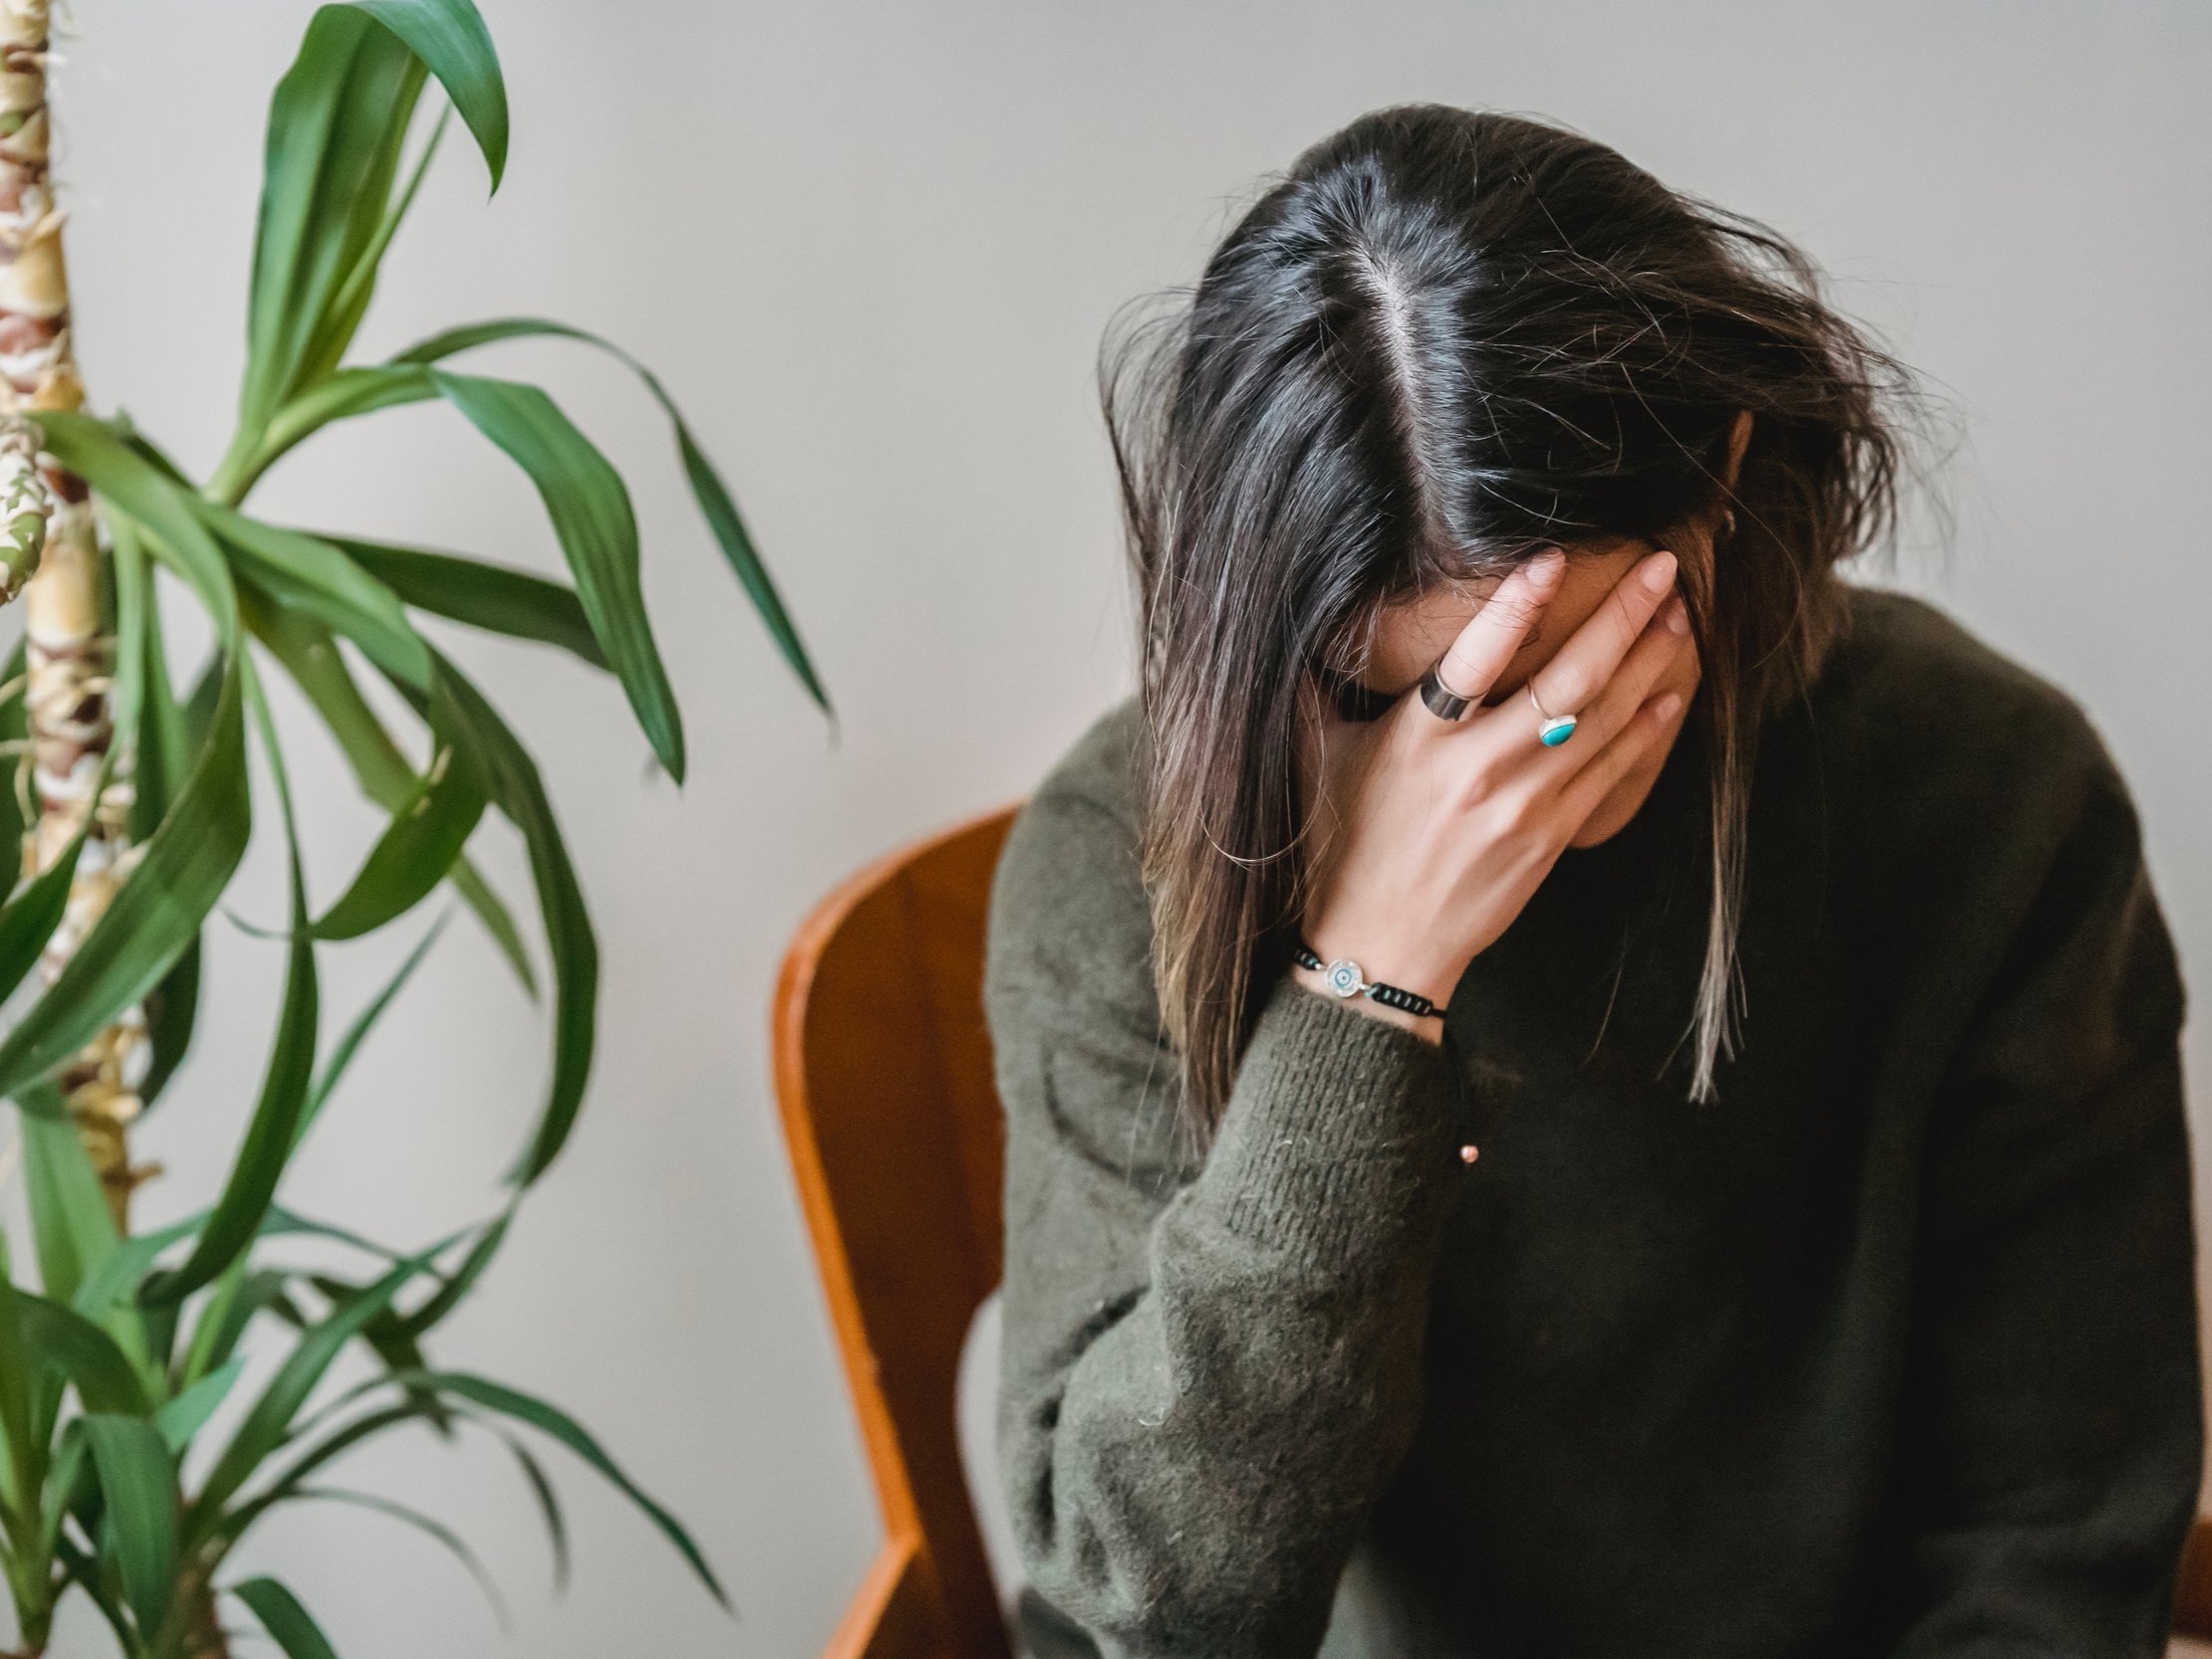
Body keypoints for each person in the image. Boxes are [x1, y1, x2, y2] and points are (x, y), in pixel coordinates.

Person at [984, 104, 2200, 1659]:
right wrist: (1368, 989)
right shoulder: (1115, 858)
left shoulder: (1989, 799)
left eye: (1557, 675)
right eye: (1385, 696)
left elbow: (2055, 1542)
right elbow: (1148, 1614)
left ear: (1726, 474)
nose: (1487, 772)